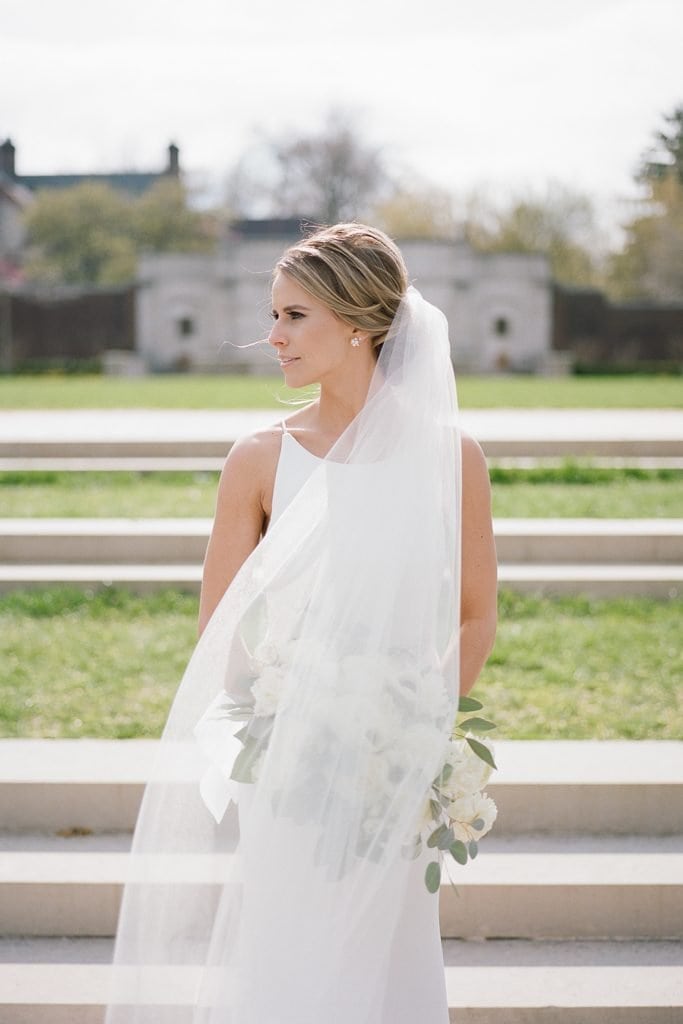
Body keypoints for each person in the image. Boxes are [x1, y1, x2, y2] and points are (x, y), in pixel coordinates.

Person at [105, 223, 497, 1024]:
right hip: (284, 767)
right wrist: (280, 732)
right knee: (286, 960)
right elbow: (221, 625)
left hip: (399, 769)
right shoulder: (257, 458)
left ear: (356, 321)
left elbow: (475, 614)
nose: (271, 337)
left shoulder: (452, 457)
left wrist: (412, 732)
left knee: (388, 963)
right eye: (273, 316)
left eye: (293, 316)